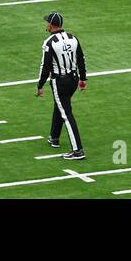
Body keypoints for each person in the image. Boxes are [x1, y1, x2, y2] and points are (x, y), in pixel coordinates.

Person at [36, 11, 86, 160]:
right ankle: (54, 137)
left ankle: (78, 150)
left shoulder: (49, 43)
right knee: (61, 106)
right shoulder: (73, 38)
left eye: (47, 23)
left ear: (51, 25)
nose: (46, 25)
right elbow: (81, 59)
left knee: (66, 113)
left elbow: (45, 66)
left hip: (60, 81)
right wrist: (83, 79)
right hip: (74, 78)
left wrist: (40, 85)